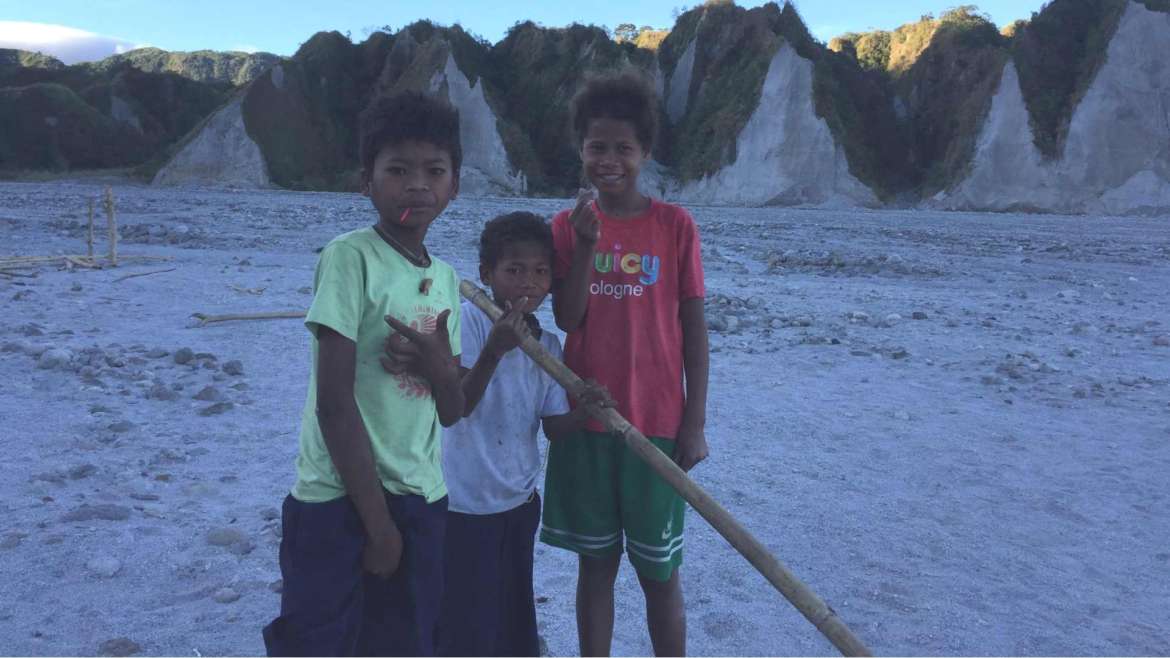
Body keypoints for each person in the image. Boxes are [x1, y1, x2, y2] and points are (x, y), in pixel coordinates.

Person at [263, 90, 465, 657]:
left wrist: (437, 366)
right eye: (397, 170)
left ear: (455, 185)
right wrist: (378, 528)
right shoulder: (350, 257)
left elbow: (450, 409)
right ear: (366, 182)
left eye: (434, 171)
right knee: (318, 642)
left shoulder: (446, 278)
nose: (417, 185)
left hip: (420, 494)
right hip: (338, 499)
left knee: (404, 640)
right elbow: (333, 402)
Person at [540, 70, 711, 657]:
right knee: (596, 567)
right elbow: (567, 317)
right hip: (585, 419)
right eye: (596, 147)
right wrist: (587, 245)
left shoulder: (674, 226)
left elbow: (693, 328)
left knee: (659, 573)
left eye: (622, 148)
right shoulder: (566, 227)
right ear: (580, 149)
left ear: (645, 152)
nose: (608, 160)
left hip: (656, 423)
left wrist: (694, 423)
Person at [434, 211, 610, 657]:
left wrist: (585, 411)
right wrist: (495, 350)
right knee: (464, 611)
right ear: (486, 274)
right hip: (462, 502)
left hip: (518, 500)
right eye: (513, 271)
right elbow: (457, 407)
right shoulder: (467, 323)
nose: (528, 283)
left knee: (512, 605)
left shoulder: (547, 348)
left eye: (540, 272)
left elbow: (553, 427)